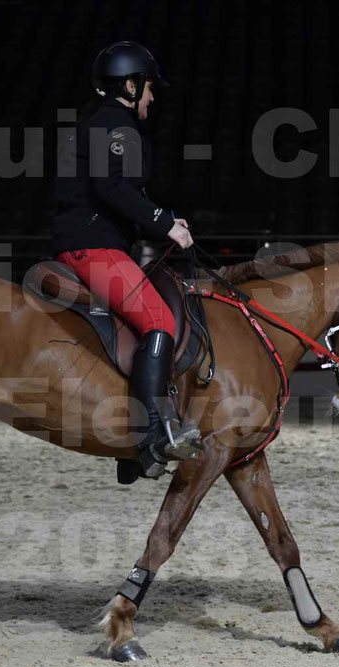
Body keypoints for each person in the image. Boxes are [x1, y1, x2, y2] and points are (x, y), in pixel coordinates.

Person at [51, 41, 201, 480]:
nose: (152, 99)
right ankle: (152, 435)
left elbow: (121, 194)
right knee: (159, 320)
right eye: (149, 88)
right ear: (132, 85)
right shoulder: (117, 126)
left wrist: (165, 219)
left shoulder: (99, 122)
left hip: (92, 240)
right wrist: (164, 223)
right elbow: (113, 189)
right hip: (94, 246)